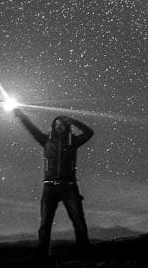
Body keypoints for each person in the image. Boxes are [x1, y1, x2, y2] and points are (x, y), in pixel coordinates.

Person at [13, 110, 94, 257]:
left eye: (62, 124)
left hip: (69, 186)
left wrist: (74, 121)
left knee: (79, 221)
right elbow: (32, 129)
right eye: (56, 124)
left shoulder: (73, 141)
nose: (58, 126)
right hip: (49, 187)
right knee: (45, 224)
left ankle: (84, 252)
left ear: (67, 126)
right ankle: (42, 254)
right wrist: (22, 116)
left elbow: (89, 132)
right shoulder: (45, 140)